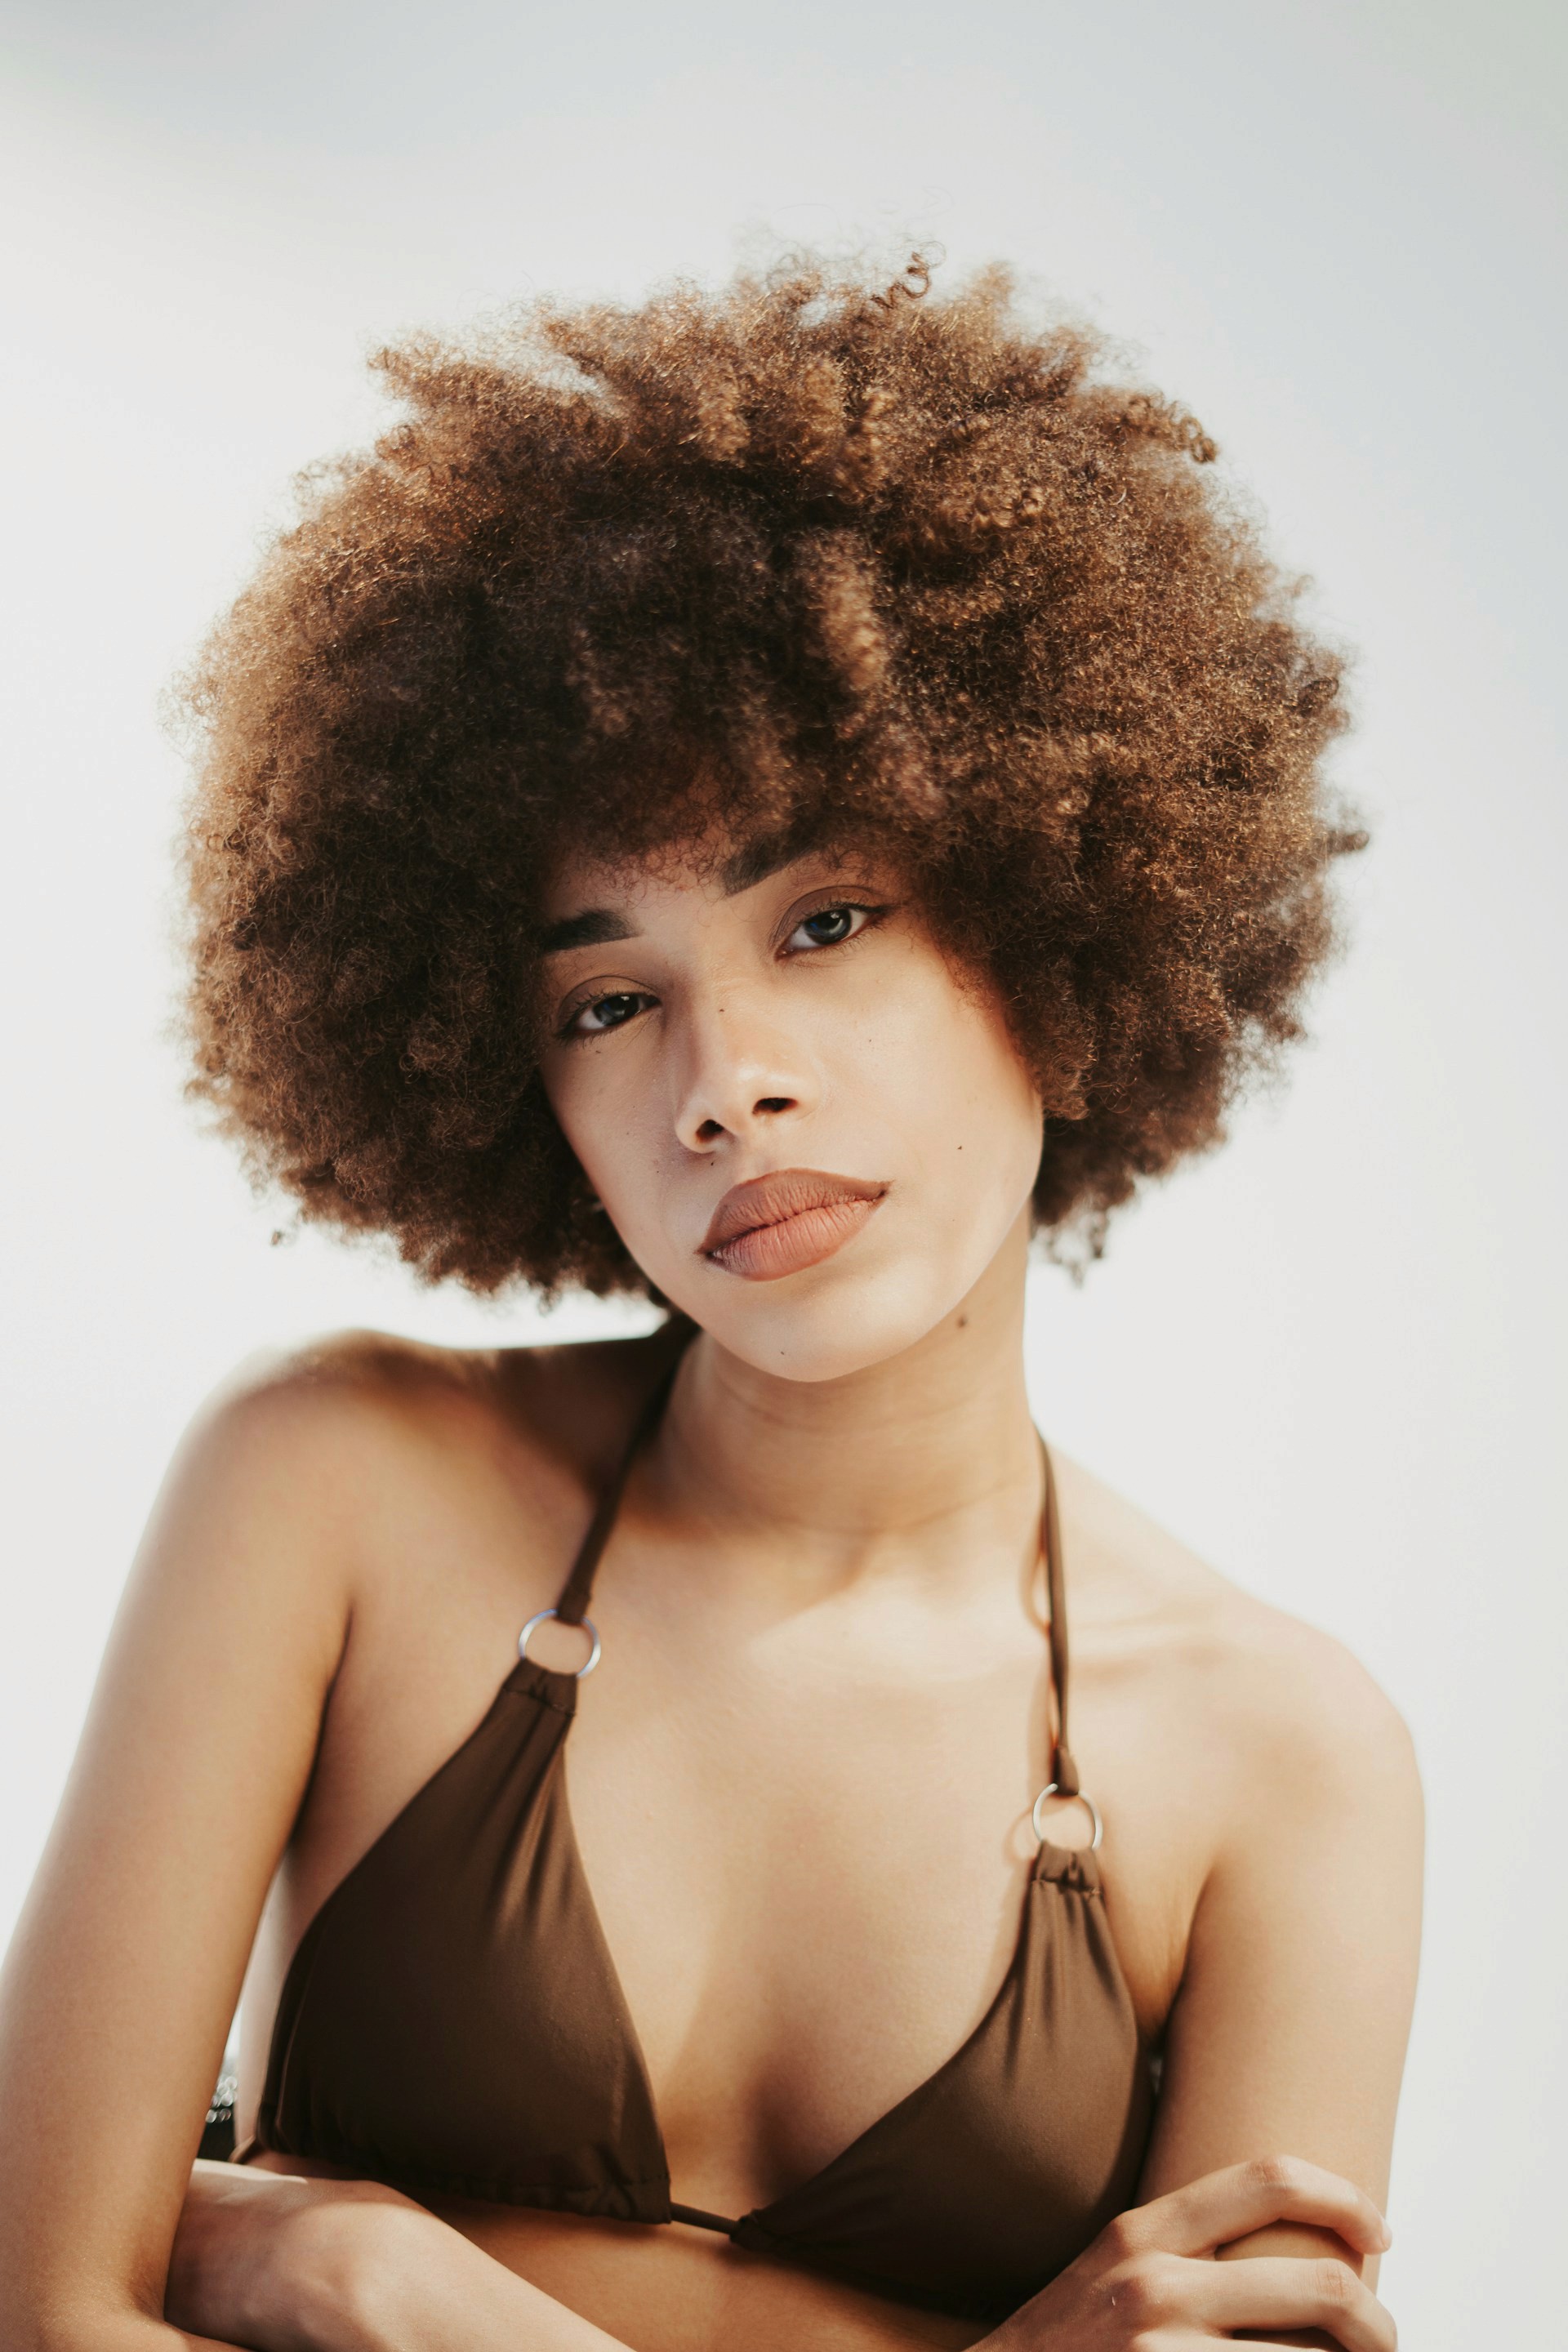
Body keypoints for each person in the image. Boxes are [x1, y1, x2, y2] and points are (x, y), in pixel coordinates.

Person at [0, 254, 1421, 2352]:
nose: (724, 1079)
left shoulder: (1285, 1761)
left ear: (1061, 912)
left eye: (825, 916)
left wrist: (359, 2272)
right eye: (607, 996)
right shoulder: (334, 1489)